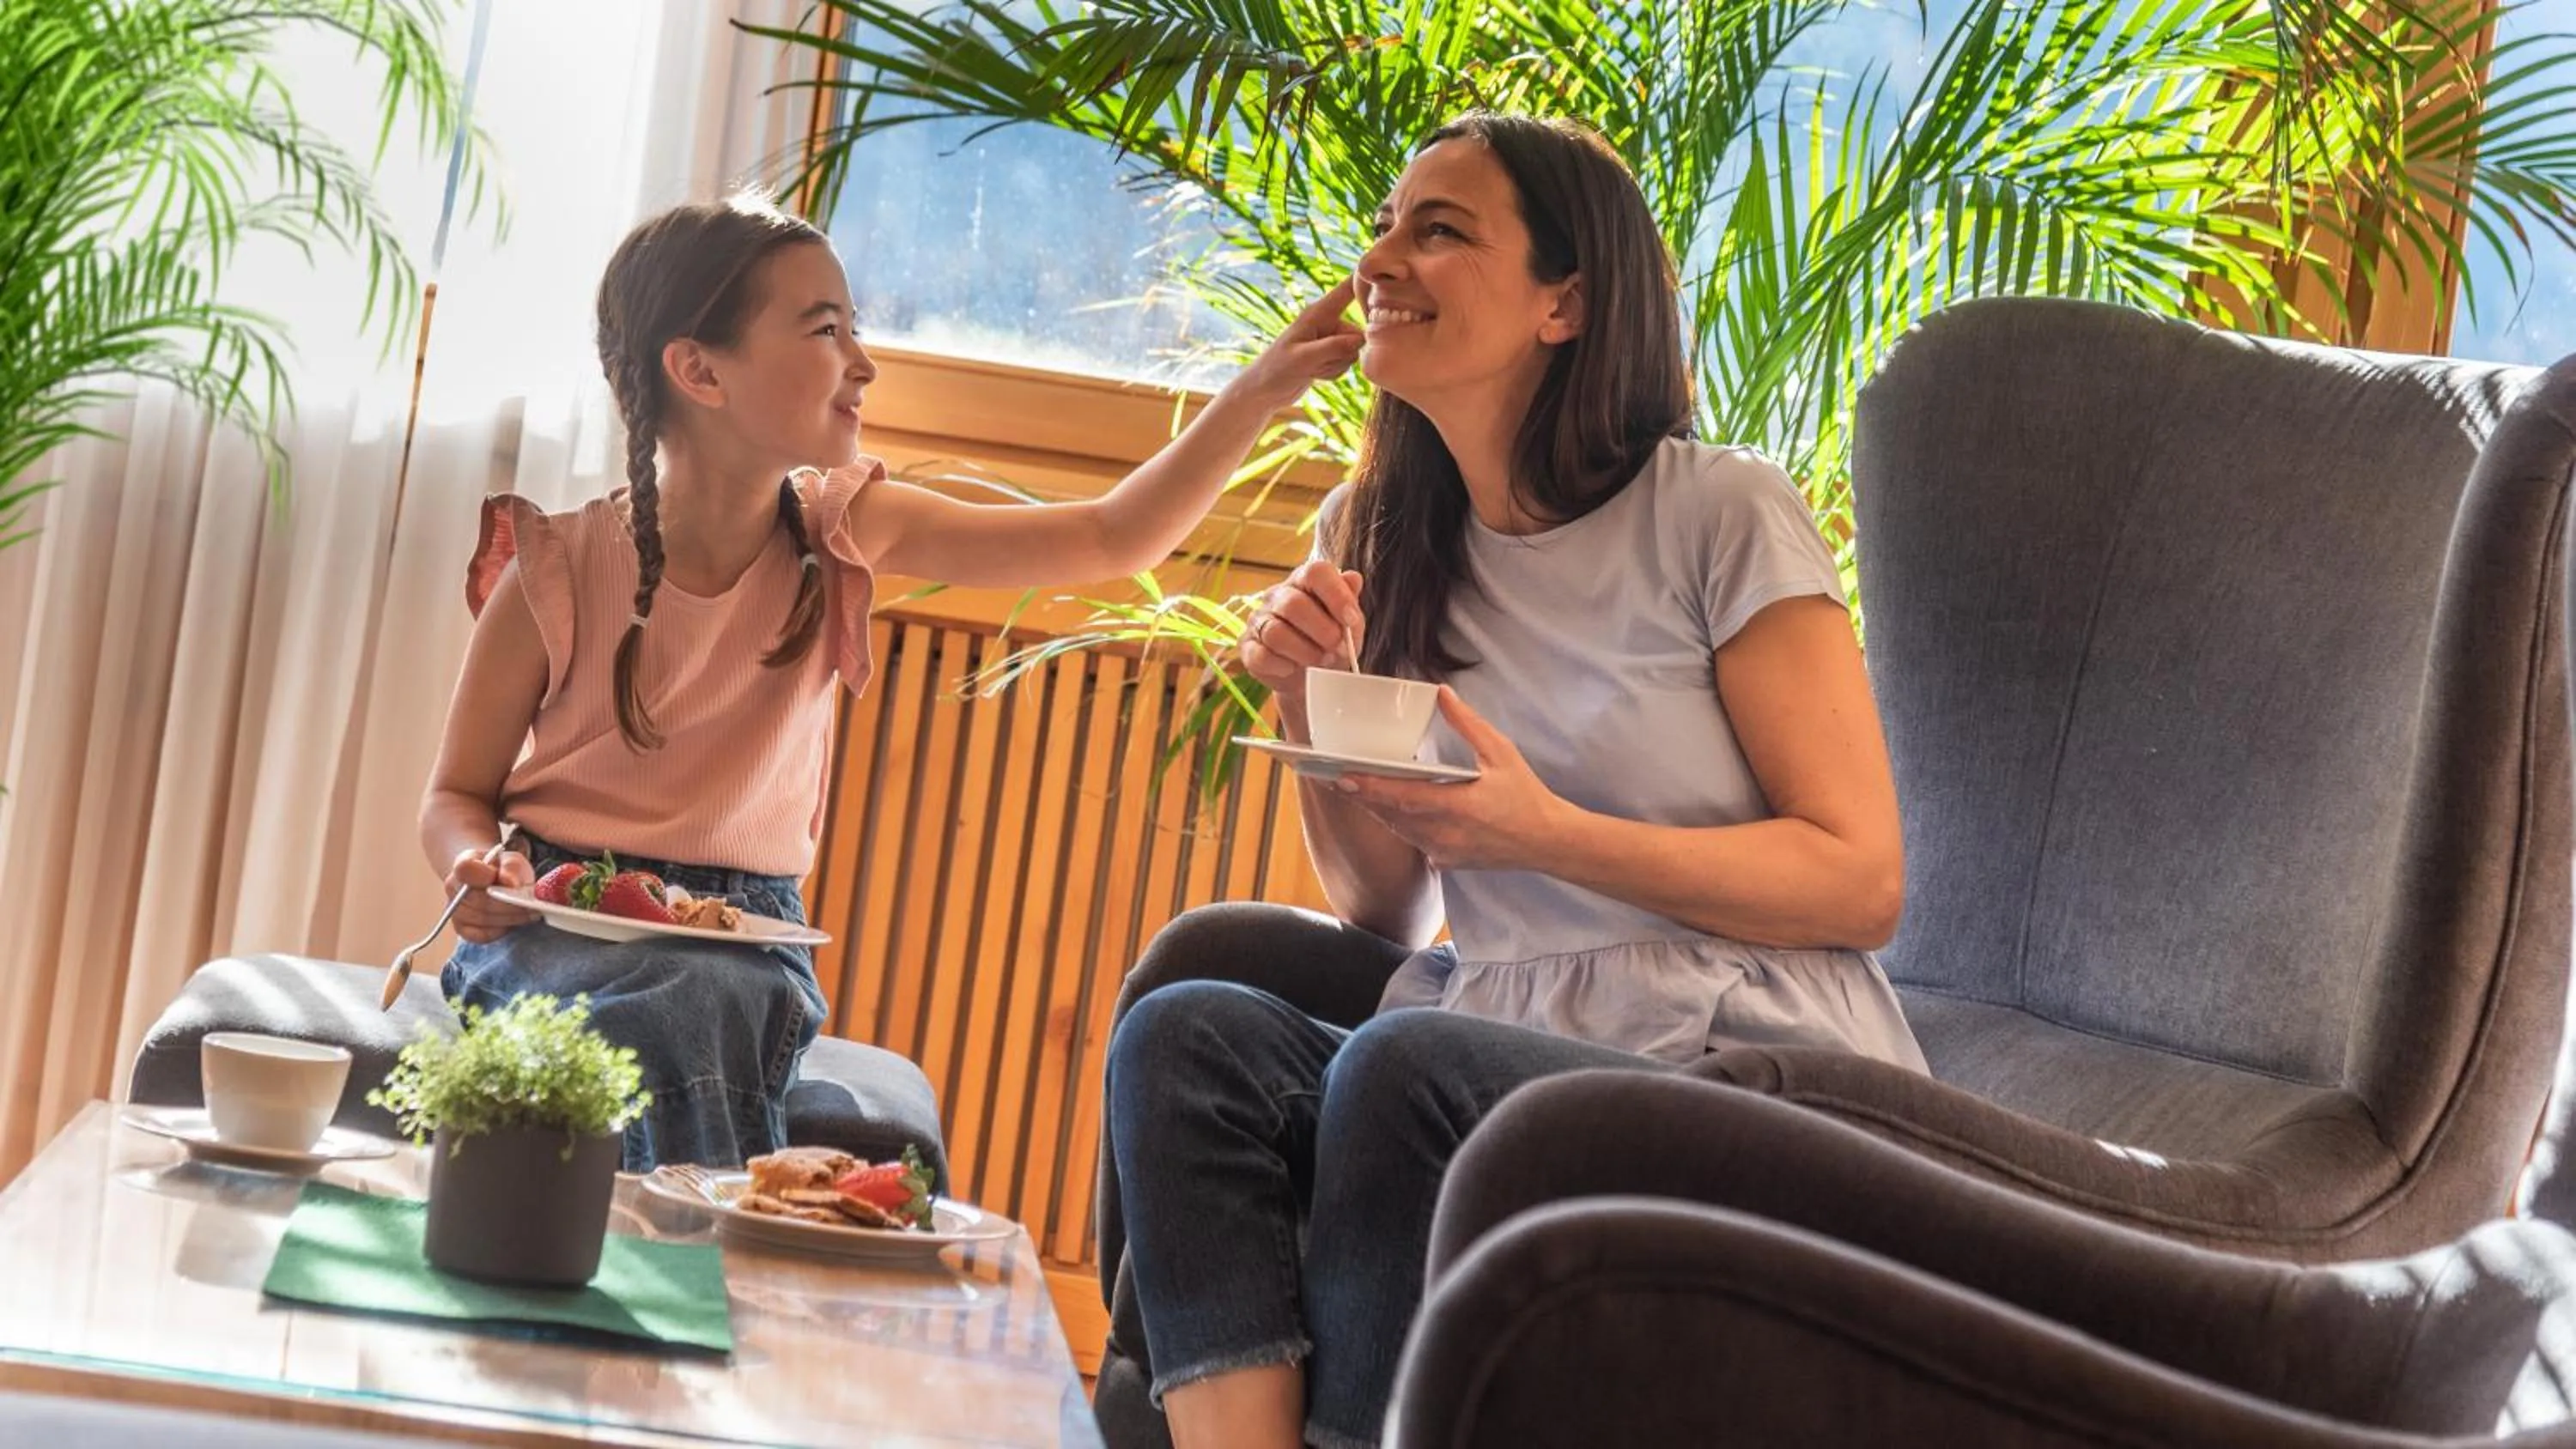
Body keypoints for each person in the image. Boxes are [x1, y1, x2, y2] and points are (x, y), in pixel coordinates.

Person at [1100, 112, 1927, 1449]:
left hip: (1748, 1064)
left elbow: (1860, 880)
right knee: (1187, 1039)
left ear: (1566, 305)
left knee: (1402, 1065)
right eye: (1386, 225)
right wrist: (1312, 703)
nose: (1381, 260)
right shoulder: (1377, 535)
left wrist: (1547, 833)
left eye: (1440, 232)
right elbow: (1384, 908)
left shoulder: (1717, 511)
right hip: (1495, 1027)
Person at [420, 191, 1362, 1172]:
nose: (863, 363)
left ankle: (674, 1254)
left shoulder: (845, 531)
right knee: (629, 1018)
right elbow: (455, 795)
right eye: (825, 329)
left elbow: (1112, 536)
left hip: (739, 938)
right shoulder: (554, 569)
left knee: (690, 1003)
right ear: (700, 370)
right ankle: (703, 1251)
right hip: (552, 917)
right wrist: (477, 866)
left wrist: (1261, 389)